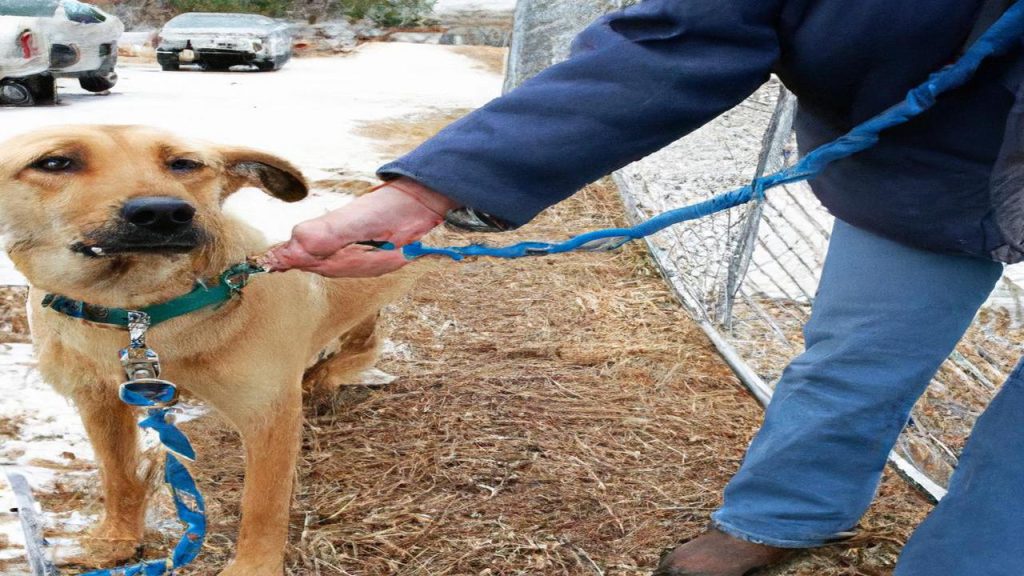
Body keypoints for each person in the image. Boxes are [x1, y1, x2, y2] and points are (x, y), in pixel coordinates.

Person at [266, 1, 1024, 574]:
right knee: (852, 355)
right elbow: (682, 37)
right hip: (919, 175)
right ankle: (784, 516)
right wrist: (432, 190)